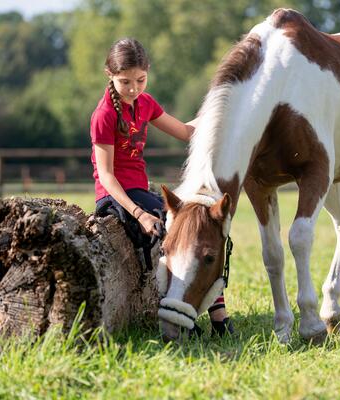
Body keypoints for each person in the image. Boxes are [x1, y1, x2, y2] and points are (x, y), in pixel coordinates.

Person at [90, 38, 233, 336]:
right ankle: (179, 315)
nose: (133, 88)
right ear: (109, 75)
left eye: (140, 80)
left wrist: (221, 111)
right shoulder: (104, 115)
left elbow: (184, 132)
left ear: (148, 73)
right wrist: (140, 214)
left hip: (142, 192)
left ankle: (215, 312)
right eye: (124, 81)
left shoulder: (145, 104)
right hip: (116, 197)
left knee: (197, 231)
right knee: (178, 235)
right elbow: (106, 176)